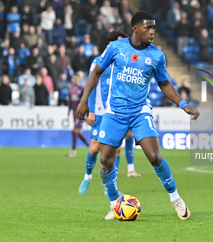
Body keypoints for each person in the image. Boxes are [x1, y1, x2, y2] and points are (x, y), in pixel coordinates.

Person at [75, 11, 199, 220]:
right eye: (148, 27)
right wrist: (83, 100)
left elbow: (164, 83)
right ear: (135, 28)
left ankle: (175, 198)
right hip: (114, 112)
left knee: (155, 156)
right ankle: (115, 202)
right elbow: (96, 72)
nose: (152, 32)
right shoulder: (115, 48)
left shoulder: (156, 55)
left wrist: (183, 104)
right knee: (105, 160)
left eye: (154, 28)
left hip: (140, 110)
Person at [78, 31, 140, 196]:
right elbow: (90, 87)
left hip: (117, 111)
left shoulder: (125, 63)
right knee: (94, 148)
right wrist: (90, 110)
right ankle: (87, 177)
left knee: (116, 149)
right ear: (110, 44)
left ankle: (112, 186)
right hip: (98, 111)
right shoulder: (98, 62)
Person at [67, 73, 90, 157]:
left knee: (75, 130)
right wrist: (68, 111)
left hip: (80, 113)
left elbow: (85, 101)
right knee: (76, 131)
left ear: (79, 79)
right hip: (74, 113)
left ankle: (73, 151)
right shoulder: (71, 89)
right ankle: (89, 146)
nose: (74, 80)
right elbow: (69, 101)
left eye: (76, 78)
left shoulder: (82, 89)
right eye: (73, 78)